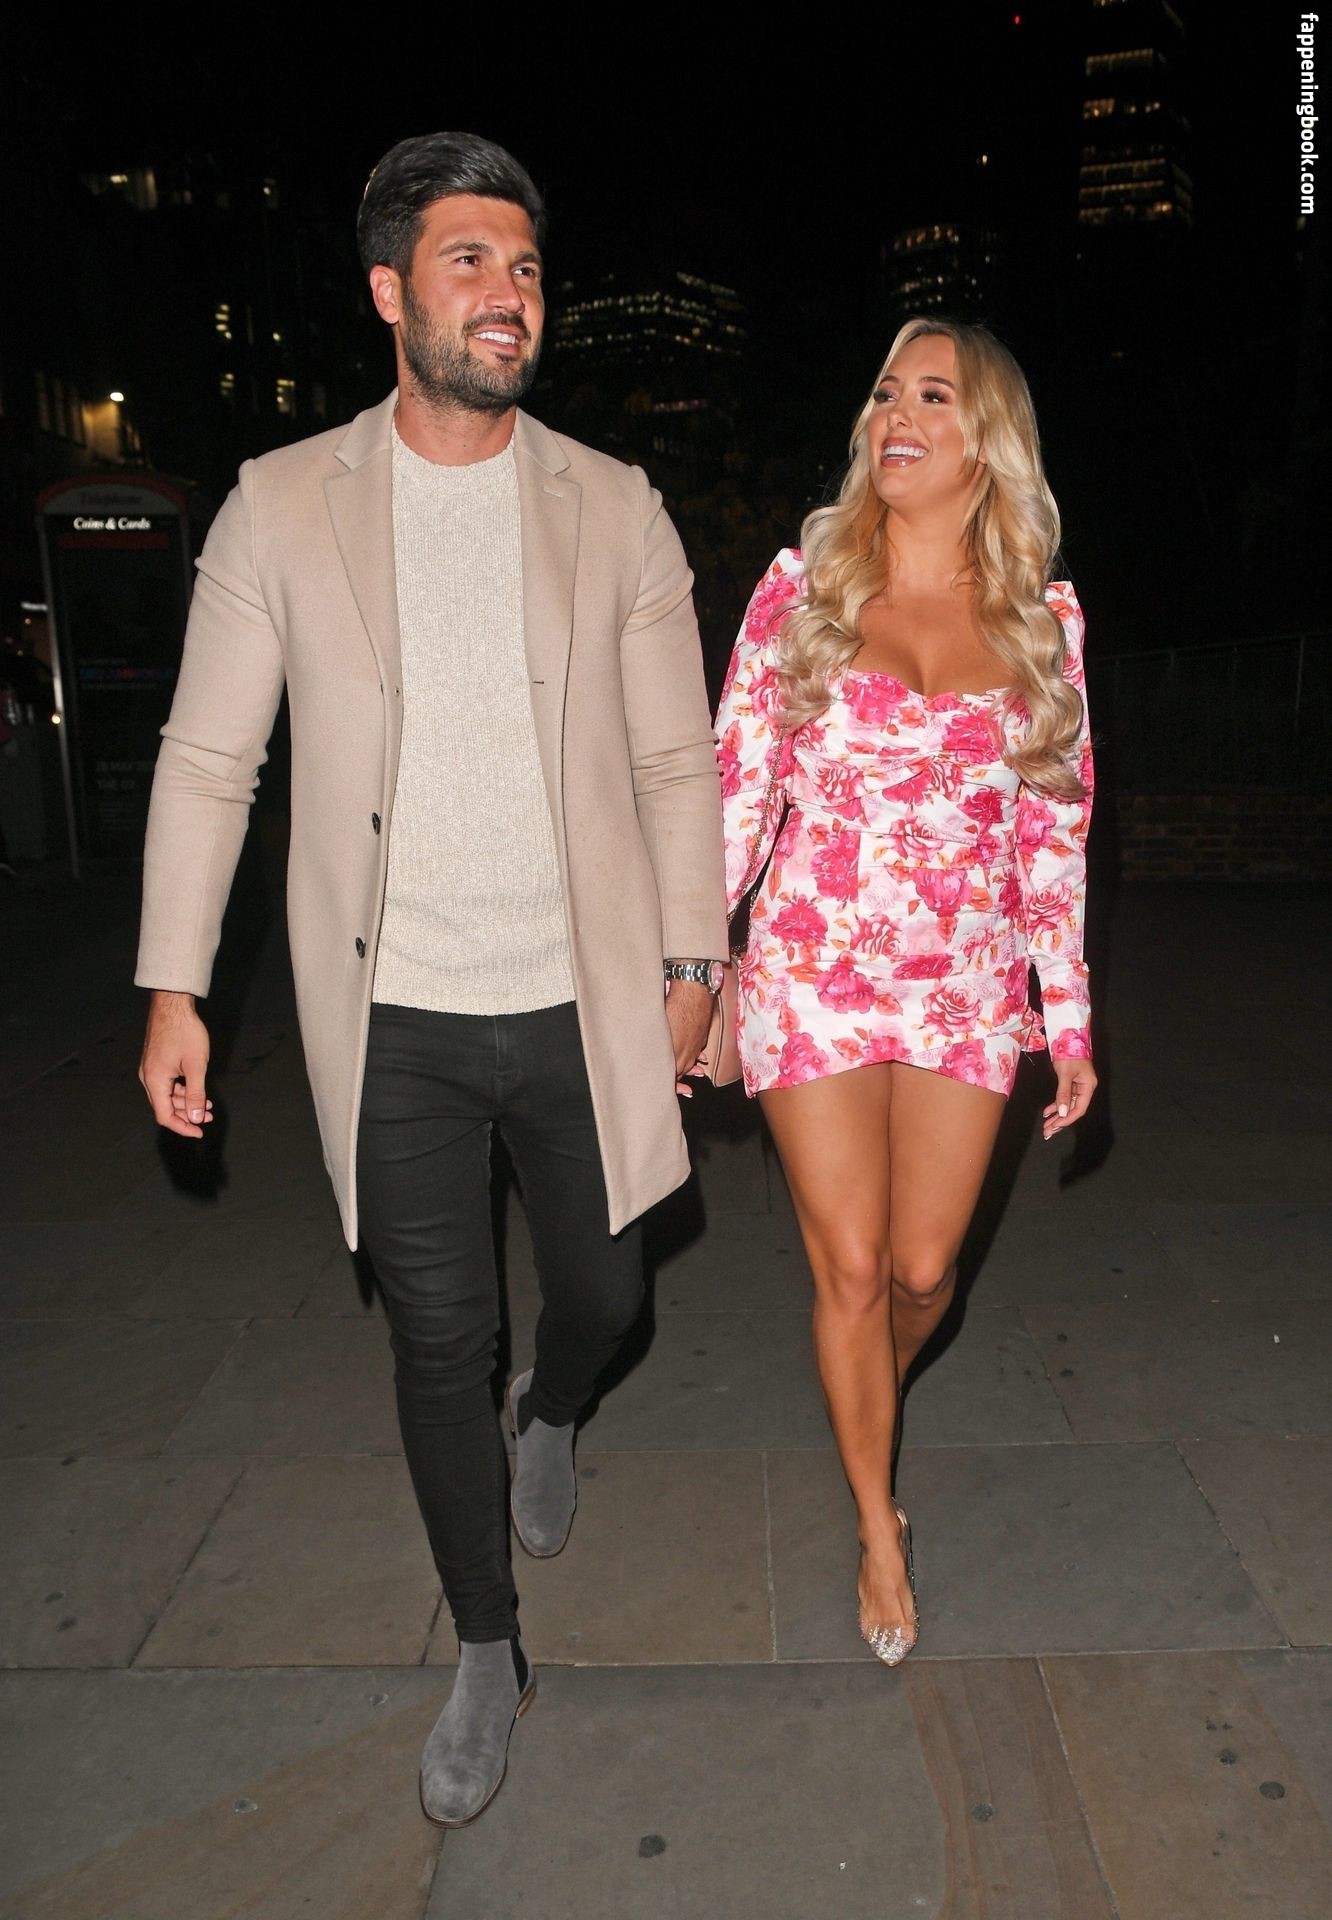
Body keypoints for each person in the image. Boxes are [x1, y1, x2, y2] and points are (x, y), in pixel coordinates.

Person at [136, 132, 727, 1824]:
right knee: (435, 1339)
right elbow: (208, 760)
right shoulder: (279, 503)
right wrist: (176, 985)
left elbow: (675, 761)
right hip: (390, 1014)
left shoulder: (613, 504)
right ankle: (486, 1646)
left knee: (609, 1293)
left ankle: (560, 1405)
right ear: (391, 290)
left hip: (582, 1001)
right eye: (471, 260)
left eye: (526, 265)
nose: (508, 292)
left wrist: (697, 958)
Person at [714, 318, 1095, 1667]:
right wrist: (694, 970)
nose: (898, 416)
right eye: (886, 392)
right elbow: (736, 794)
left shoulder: (1043, 624)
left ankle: (865, 1380)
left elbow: (1056, 833)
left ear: (988, 443)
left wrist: (1069, 1017)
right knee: (856, 1265)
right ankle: (879, 1521)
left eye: (934, 396)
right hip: (810, 971)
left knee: (926, 1273)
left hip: (967, 990)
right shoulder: (801, 591)